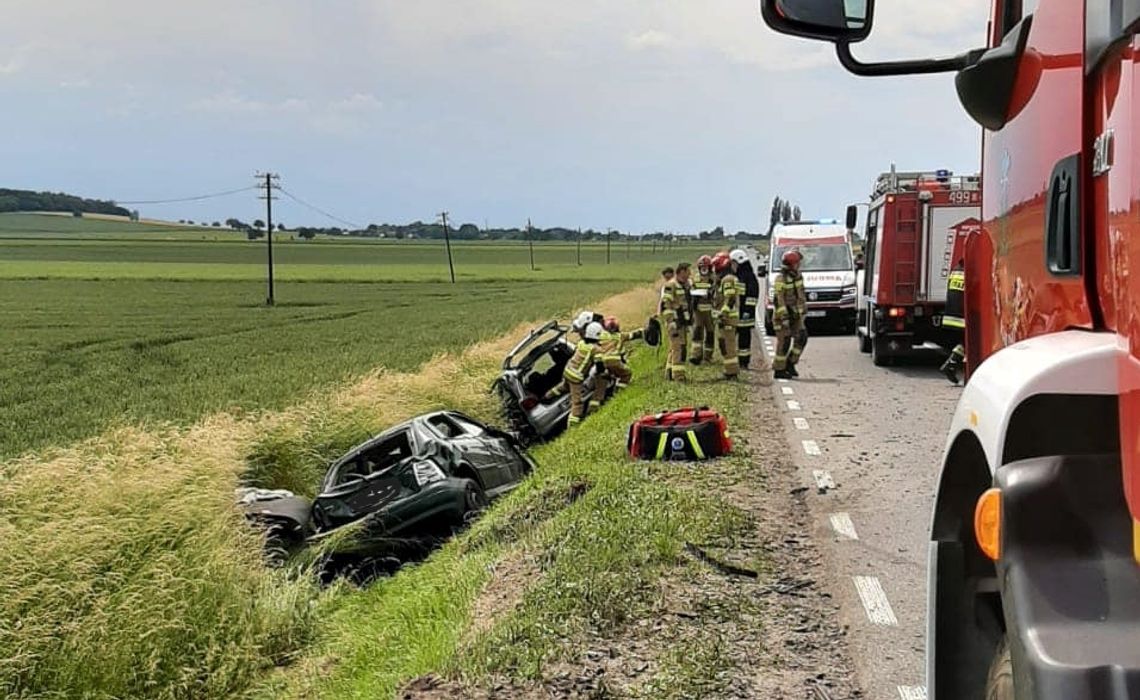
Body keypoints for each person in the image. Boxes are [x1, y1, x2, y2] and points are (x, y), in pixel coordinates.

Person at [772, 250, 808, 380]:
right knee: (784, 342)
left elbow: (801, 295)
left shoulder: (797, 276)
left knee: (802, 338)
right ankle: (779, 369)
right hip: (783, 317)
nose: (799, 265)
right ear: (792, 264)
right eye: (797, 263)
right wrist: (784, 317)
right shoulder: (780, 279)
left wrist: (802, 311)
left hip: (796, 316)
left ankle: (791, 363)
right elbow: (778, 300)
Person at [592, 316, 644, 407]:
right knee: (627, 374)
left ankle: (601, 400)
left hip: (602, 363)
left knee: (606, 379)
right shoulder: (620, 336)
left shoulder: (602, 335)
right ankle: (618, 392)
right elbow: (633, 335)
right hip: (614, 361)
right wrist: (644, 330)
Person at [563, 321, 604, 425]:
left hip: (567, 371)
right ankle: (572, 426)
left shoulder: (581, 343)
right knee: (577, 403)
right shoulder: (596, 349)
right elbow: (600, 367)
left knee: (562, 387)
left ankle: (546, 397)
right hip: (575, 377)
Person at [661, 262, 692, 381]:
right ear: (682, 272)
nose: (690, 274)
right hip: (675, 322)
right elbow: (666, 304)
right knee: (678, 348)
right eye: (688, 271)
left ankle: (669, 373)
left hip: (682, 322)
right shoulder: (671, 285)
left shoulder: (686, 285)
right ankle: (678, 376)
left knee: (675, 348)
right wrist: (671, 321)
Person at [730, 249, 760, 369]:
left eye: (733, 263)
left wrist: (747, 311)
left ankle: (744, 362)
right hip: (736, 313)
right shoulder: (736, 276)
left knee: (744, 339)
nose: (732, 266)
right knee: (732, 338)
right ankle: (734, 361)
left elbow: (752, 295)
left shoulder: (749, 277)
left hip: (745, 315)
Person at [712, 253, 741, 379]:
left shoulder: (728, 279)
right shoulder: (727, 278)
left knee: (728, 345)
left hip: (727, 318)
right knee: (725, 343)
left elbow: (730, 299)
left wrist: (723, 313)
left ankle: (731, 372)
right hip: (727, 318)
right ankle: (730, 370)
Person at [940, 259, 966, 385]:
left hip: (951, 315)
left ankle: (951, 364)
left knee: (964, 342)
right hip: (961, 317)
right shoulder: (969, 272)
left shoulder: (956, 271)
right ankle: (951, 365)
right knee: (971, 342)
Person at [689, 255, 718, 365]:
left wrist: (710, 294)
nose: (704, 270)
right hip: (698, 311)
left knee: (710, 333)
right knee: (697, 332)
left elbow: (716, 293)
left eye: (706, 267)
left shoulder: (714, 278)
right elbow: (691, 291)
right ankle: (696, 355)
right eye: (702, 267)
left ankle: (708, 356)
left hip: (710, 311)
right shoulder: (695, 278)